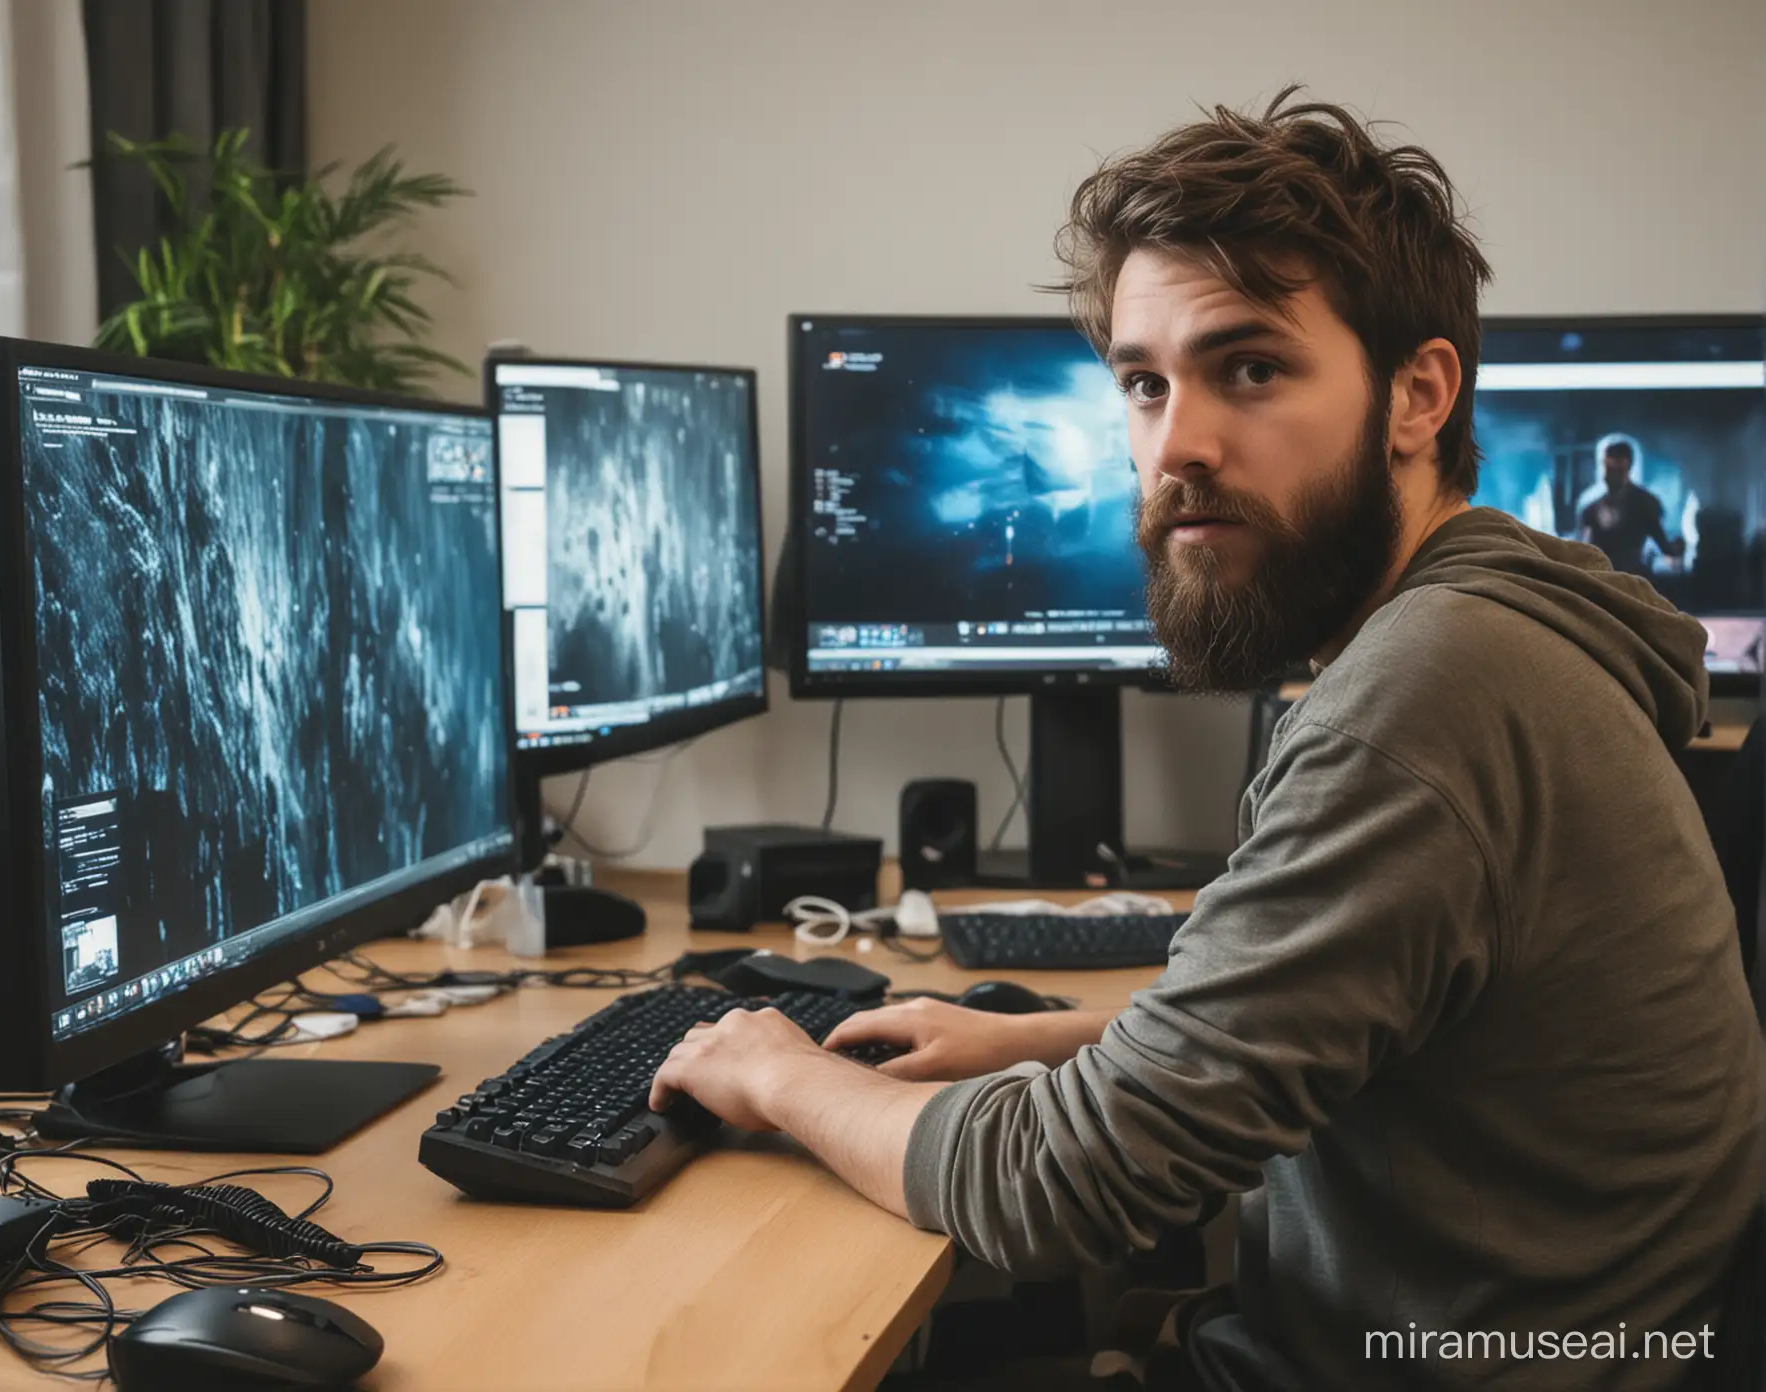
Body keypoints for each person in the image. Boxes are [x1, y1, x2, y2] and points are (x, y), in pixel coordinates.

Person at [651, 89, 1764, 1391]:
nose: (1175, 445)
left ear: (1419, 394)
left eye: (1250, 368)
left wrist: (780, 1076)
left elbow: (1070, 1188)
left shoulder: (1427, 696)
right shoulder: (1510, 622)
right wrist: (1045, 1039)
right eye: (1143, 383)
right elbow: (1371, 1033)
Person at [1576, 433, 1688, 575]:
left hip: (1631, 580)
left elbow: (1665, 547)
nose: (1611, 475)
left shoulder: (1646, 504)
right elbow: (1582, 550)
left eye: (1618, 469)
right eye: (1609, 468)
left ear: (1628, 467)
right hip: (1601, 581)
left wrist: (1676, 550)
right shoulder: (1590, 509)